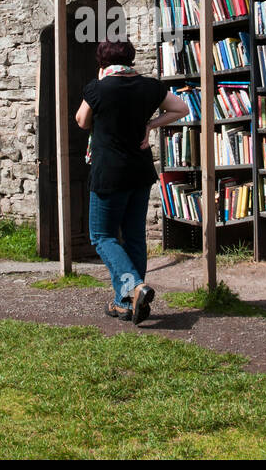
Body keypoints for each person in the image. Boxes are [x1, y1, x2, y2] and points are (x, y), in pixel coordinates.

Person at [75, 38, 189, 325]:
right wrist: (150, 124)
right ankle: (126, 303)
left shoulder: (97, 88)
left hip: (109, 174)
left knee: (102, 236)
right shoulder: (150, 86)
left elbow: (81, 121)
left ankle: (133, 288)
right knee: (135, 236)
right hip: (139, 172)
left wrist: (98, 92)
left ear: (103, 62)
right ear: (130, 59)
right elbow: (181, 108)